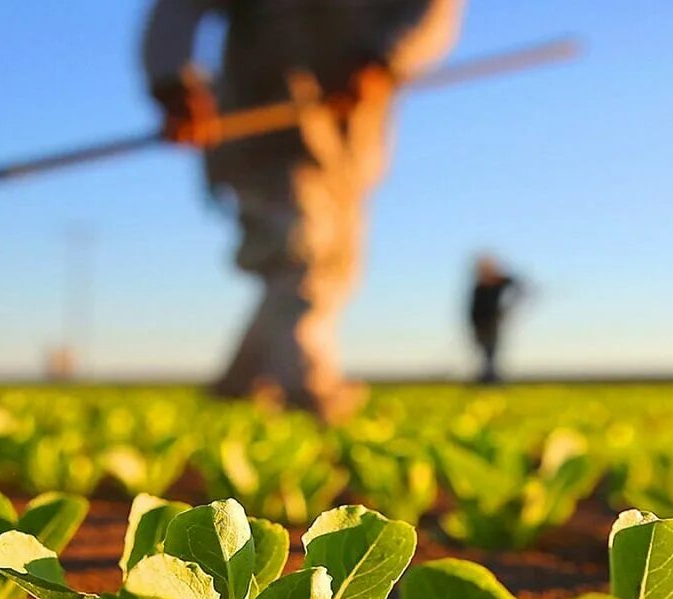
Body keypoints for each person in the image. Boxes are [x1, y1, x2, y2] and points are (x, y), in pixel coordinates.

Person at [142, 0, 464, 420]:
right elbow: (178, 10)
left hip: (348, 131)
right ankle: (308, 387)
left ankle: (238, 384)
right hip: (263, 119)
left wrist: (384, 59)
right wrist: (172, 81)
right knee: (298, 251)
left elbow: (429, 12)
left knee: (336, 265)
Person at [468, 254, 522, 384]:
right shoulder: (479, 287)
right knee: (484, 352)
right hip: (479, 324)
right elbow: (473, 309)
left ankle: (491, 378)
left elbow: (518, 287)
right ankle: (487, 376)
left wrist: (508, 307)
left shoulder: (499, 281)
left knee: (491, 352)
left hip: (493, 323)